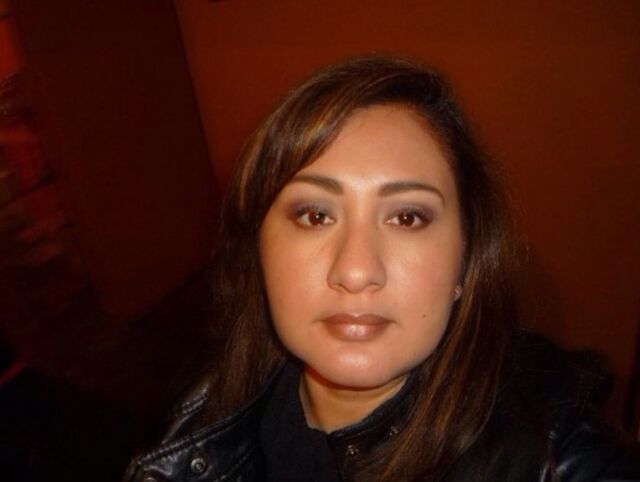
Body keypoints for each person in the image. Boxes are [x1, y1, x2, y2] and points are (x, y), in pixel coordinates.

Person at [124, 57, 640, 481]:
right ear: (257, 250)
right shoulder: (201, 412)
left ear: (465, 260)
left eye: (407, 217)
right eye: (315, 215)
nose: (355, 271)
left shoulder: (562, 457)